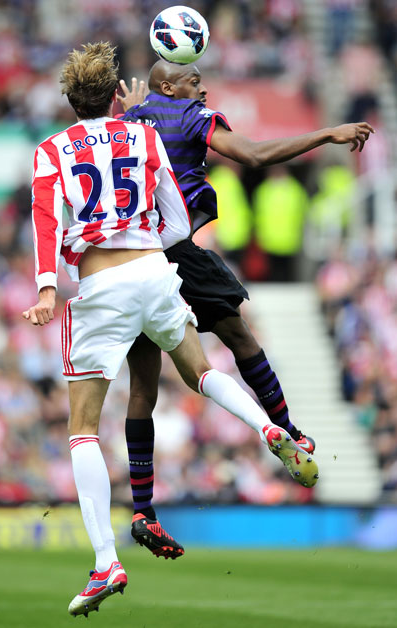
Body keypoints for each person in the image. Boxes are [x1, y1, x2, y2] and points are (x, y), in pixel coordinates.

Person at [22, 42, 318, 617]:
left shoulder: (50, 150)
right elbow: (178, 220)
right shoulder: (144, 135)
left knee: (83, 427)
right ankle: (269, 430)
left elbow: (43, 219)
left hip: (102, 286)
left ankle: (107, 560)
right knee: (202, 370)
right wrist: (149, 254)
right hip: (156, 270)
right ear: (116, 96)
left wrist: (45, 288)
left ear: (67, 101)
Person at [116, 59, 374, 558]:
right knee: (241, 338)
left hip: (132, 261)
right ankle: (291, 432)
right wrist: (327, 135)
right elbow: (253, 155)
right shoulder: (191, 117)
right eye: (193, 80)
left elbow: (134, 138)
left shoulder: (131, 120)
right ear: (170, 86)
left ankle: (143, 510)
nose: (203, 86)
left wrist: (133, 113)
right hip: (176, 253)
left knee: (143, 388)